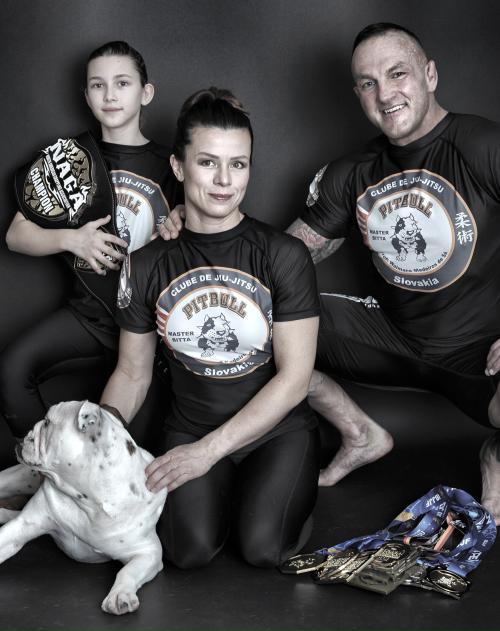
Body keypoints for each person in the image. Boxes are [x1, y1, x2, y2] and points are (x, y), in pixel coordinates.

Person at [161, 23, 500, 524]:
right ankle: (360, 432)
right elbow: (276, 261)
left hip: (482, 351)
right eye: (368, 83)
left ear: (429, 75)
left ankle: (495, 453)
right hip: (390, 338)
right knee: (254, 325)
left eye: (398, 74)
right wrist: (193, 222)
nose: (385, 94)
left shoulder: (483, 145)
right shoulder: (353, 172)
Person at [100, 87, 320, 569]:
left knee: (264, 549)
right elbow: (132, 374)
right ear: (179, 167)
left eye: (238, 164)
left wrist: (208, 454)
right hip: (190, 427)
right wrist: (99, 437)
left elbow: (295, 379)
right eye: (207, 163)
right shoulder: (146, 263)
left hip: (276, 431)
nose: (224, 180)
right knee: (187, 552)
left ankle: (277, 492)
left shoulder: (283, 255)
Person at [1, 41, 179, 447]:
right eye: (98, 85)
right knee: (11, 370)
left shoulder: (173, 164)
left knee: (133, 445)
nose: (110, 94)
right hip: (89, 316)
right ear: (86, 95)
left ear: (146, 92)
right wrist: (73, 239)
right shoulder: (69, 158)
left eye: (122, 83)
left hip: (150, 330)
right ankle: (52, 471)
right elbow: (15, 235)